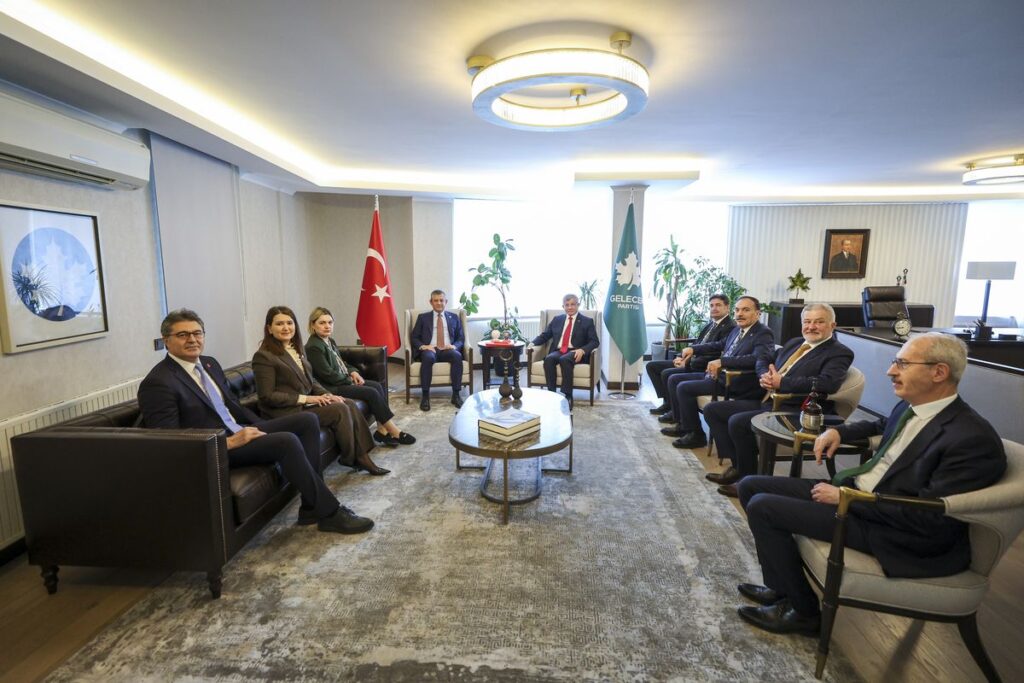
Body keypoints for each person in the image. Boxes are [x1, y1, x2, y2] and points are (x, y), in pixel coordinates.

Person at [735, 332, 1006, 637]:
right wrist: (839, 432)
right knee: (750, 486)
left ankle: (805, 613)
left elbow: (929, 519)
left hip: (894, 529)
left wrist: (847, 499)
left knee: (764, 507)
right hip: (864, 497)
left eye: (902, 364)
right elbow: (880, 425)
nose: (891, 371)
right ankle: (782, 588)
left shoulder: (970, 439)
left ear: (939, 372)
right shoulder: (913, 407)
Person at [138, 309, 373, 534]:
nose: (192, 339)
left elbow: (233, 405)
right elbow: (170, 440)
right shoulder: (159, 382)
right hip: (216, 447)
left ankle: (311, 506)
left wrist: (259, 425)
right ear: (166, 340)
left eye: (197, 333)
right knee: (286, 441)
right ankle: (329, 512)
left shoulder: (209, 364)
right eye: (183, 334)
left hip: (238, 429)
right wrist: (229, 442)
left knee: (307, 420)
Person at [703, 303, 854, 496]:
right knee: (713, 410)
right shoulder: (795, 343)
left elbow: (827, 383)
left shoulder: (839, 352)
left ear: (832, 325)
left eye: (819, 322)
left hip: (797, 409)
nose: (811, 327)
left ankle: (748, 480)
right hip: (768, 399)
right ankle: (738, 467)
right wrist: (765, 375)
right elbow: (764, 358)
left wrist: (782, 382)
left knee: (738, 422)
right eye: (807, 322)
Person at [253, 306, 389, 476]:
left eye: (289, 323)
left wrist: (327, 394)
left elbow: (311, 380)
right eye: (279, 324)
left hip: (304, 404)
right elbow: (267, 396)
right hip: (284, 412)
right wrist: (308, 399)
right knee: (340, 409)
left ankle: (359, 456)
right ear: (269, 329)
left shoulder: (296, 348)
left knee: (347, 402)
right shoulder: (264, 356)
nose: (286, 328)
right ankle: (356, 458)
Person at [662, 296, 775, 448]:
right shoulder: (737, 329)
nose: (740, 314)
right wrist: (693, 349)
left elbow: (757, 358)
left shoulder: (763, 333)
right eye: (737, 310)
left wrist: (722, 362)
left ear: (757, 313)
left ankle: (696, 435)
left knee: (684, 387)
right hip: (718, 376)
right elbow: (719, 344)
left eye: (746, 310)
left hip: (735, 382)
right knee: (675, 379)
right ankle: (683, 425)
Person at [305, 306, 415, 447]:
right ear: (313, 325)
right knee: (371, 392)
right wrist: (349, 380)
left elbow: (341, 363)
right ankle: (394, 431)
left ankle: (382, 430)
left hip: (341, 380)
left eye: (330, 322)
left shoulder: (329, 341)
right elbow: (327, 374)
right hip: (331, 387)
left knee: (376, 385)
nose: (327, 326)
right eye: (322, 323)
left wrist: (353, 372)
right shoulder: (313, 346)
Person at [650, 293, 736, 417]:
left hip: (702, 366)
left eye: (718, 305)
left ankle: (674, 411)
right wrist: (680, 357)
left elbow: (716, 351)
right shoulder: (711, 324)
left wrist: (687, 362)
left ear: (727, 307)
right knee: (652, 366)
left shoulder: (730, 327)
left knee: (667, 374)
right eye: (711, 305)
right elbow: (697, 343)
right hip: (692, 360)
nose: (714, 308)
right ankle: (669, 403)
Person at [528, 293, 600, 407]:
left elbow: (594, 341)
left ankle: (568, 395)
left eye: (573, 304)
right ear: (563, 306)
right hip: (560, 350)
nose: (570, 307)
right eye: (567, 305)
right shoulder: (557, 319)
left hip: (575, 351)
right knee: (549, 359)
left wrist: (582, 350)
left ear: (578, 305)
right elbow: (545, 335)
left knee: (565, 359)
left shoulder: (587, 321)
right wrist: (532, 344)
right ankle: (552, 393)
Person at [410, 289, 465, 411]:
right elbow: (414, 337)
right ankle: (425, 396)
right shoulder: (423, 318)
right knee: (428, 358)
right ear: (431, 302)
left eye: (441, 300)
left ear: (446, 301)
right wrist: (423, 346)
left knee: (457, 356)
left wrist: (454, 346)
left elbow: (461, 338)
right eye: (436, 300)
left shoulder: (454, 317)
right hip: (430, 349)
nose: (439, 303)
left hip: (447, 349)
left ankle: (456, 395)